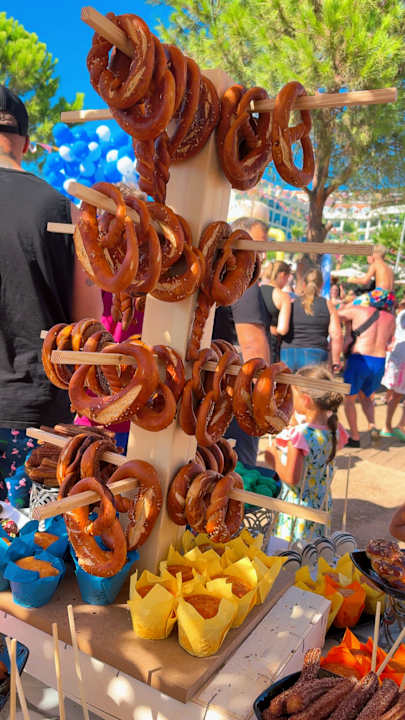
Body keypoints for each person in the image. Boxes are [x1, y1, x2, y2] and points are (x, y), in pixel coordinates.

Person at [0, 86, 101, 501]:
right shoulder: (65, 210)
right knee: (31, 538)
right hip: (37, 417)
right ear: (25, 142)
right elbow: (88, 325)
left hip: (36, 413)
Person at [212, 216, 271, 467]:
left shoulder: (216, 275)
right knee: (239, 468)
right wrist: (263, 398)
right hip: (238, 393)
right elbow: (253, 346)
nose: (263, 256)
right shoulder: (243, 281)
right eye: (259, 247)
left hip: (215, 389)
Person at [265, 365, 347, 543]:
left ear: (306, 400)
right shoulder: (336, 429)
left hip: (296, 511)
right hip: (321, 505)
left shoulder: (299, 436)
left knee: (289, 553)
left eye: (293, 396)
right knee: (314, 551)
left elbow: (292, 479)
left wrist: (274, 458)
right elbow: (317, 458)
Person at [338, 301, 395, 447]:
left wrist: (348, 308)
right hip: (379, 360)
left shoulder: (358, 310)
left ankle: (355, 437)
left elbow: (335, 315)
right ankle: (372, 425)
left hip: (360, 358)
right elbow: (390, 342)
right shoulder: (390, 318)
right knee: (367, 397)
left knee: (349, 400)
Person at [280, 267, 343, 373]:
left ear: (304, 284)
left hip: (288, 354)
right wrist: (335, 360)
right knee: (309, 384)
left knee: (286, 384)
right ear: (322, 285)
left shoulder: (291, 303)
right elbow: (336, 335)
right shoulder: (328, 305)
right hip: (315, 355)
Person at [380, 301, 405, 441]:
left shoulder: (401, 314)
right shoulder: (402, 315)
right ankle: (391, 426)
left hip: (398, 358)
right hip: (401, 359)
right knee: (396, 395)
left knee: (396, 395)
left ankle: (398, 425)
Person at [259, 260, 292, 362]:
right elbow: (282, 329)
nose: (287, 282)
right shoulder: (283, 296)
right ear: (282, 275)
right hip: (270, 343)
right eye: (287, 278)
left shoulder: (257, 290)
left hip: (251, 337)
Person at [347, 245, 395, 312]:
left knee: (352, 305)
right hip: (391, 297)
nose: (367, 257)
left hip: (380, 294)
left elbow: (365, 281)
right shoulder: (389, 268)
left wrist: (352, 280)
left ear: (374, 255)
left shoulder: (375, 264)